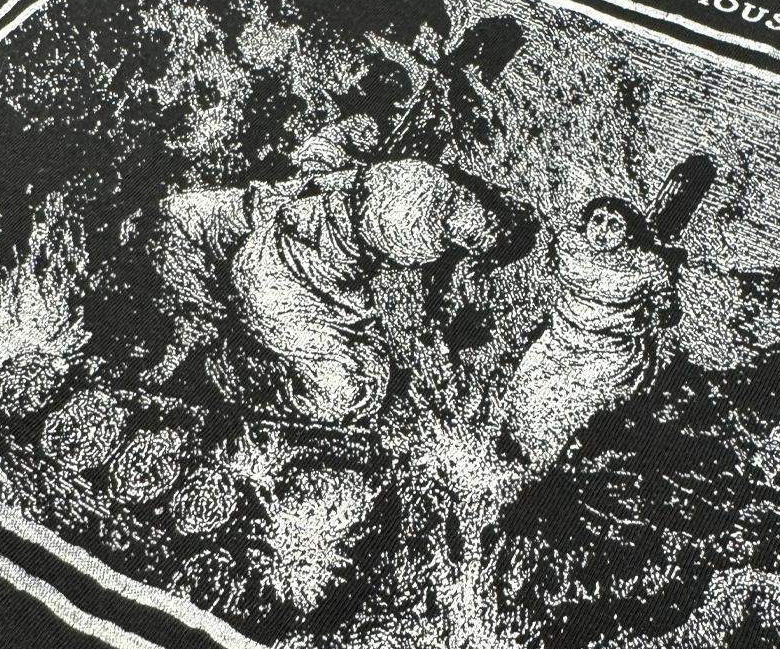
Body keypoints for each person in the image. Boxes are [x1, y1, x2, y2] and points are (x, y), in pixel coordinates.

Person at [162, 116, 505, 428]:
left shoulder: (419, 187)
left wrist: (340, 139)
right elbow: (338, 181)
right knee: (357, 391)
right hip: (279, 288)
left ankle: (218, 349)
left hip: (278, 231)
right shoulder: (417, 220)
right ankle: (225, 372)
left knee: (180, 216)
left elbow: (330, 170)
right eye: (475, 234)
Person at [505, 195, 678, 470]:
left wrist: (648, 318)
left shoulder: (646, 268)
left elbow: (668, 312)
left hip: (608, 353)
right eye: (597, 220)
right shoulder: (569, 246)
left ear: (629, 233)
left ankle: (543, 467)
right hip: (558, 339)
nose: (602, 231)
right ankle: (509, 448)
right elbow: (545, 268)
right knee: (526, 384)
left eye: (614, 225)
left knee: (568, 403)